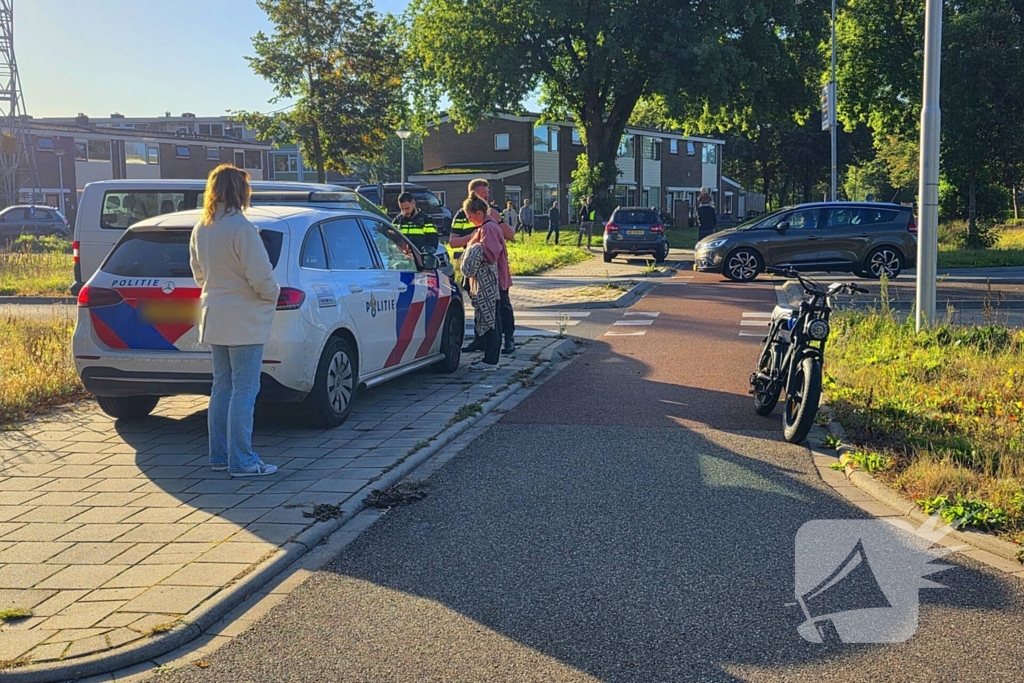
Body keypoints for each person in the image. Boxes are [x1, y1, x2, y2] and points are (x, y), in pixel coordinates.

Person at [189, 164, 280, 478]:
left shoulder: (202, 227)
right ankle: (242, 460)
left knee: (222, 387)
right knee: (245, 389)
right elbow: (261, 277)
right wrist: (273, 295)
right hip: (245, 319)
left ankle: (220, 455)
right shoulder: (241, 228)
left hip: (215, 315)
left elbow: (198, 273)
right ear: (240, 191)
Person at [450, 178, 516, 354]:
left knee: (501, 306)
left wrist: (497, 220)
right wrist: (473, 236)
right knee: (479, 306)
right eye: (483, 194)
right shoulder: (462, 214)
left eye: (487, 194)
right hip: (473, 271)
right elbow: (453, 242)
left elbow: (510, 236)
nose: (487, 198)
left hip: (493, 272)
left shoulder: (492, 217)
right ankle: (480, 339)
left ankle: (508, 338)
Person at [459, 194, 505, 368]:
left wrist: (474, 251)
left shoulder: (488, 229)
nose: (470, 221)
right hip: (486, 283)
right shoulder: (485, 227)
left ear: (478, 213)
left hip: (489, 283)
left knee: (492, 319)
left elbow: (491, 254)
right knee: (488, 318)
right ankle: (488, 356)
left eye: (470, 217)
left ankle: (491, 360)